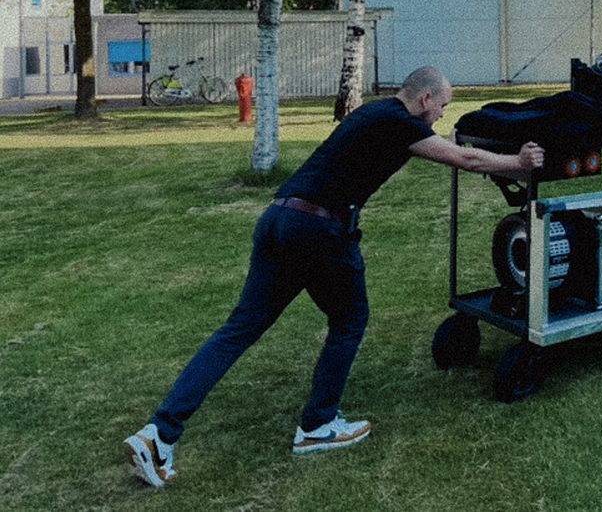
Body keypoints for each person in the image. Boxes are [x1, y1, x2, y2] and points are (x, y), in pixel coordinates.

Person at [124, 66, 544, 488]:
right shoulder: (399, 122)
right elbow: (465, 159)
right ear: (425, 100)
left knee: (238, 330)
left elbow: (443, 148)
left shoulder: (376, 114)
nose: (440, 118)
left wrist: (457, 142)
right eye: (442, 108)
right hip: (320, 230)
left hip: (278, 219)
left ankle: (158, 434)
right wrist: (520, 162)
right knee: (349, 320)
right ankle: (318, 425)